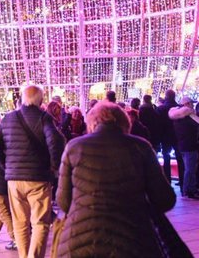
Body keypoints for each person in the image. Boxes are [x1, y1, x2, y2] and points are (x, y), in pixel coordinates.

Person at [55, 102, 177, 257]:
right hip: (134, 240)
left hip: (80, 241)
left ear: (91, 123)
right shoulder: (141, 147)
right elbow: (165, 200)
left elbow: (63, 202)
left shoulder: (74, 147)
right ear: (125, 123)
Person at [0, 84, 65, 258]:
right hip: (38, 178)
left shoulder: (7, 119)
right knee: (40, 222)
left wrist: (7, 167)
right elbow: (55, 142)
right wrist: (53, 166)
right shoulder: (44, 118)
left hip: (14, 180)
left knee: (20, 222)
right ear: (40, 100)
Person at [169, 97, 199, 199]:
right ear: (187, 104)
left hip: (182, 146)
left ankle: (188, 189)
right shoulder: (189, 120)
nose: (192, 105)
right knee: (190, 169)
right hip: (190, 146)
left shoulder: (177, 119)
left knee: (188, 168)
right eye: (191, 103)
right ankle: (189, 190)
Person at [158, 90, 185, 193]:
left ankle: (167, 183)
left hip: (165, 137)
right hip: (177, 136)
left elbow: (159, 124)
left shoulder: (161, 109)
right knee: (180, 159)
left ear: (166, 96)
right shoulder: (180, 108)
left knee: (166, 159)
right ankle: (183, 183)